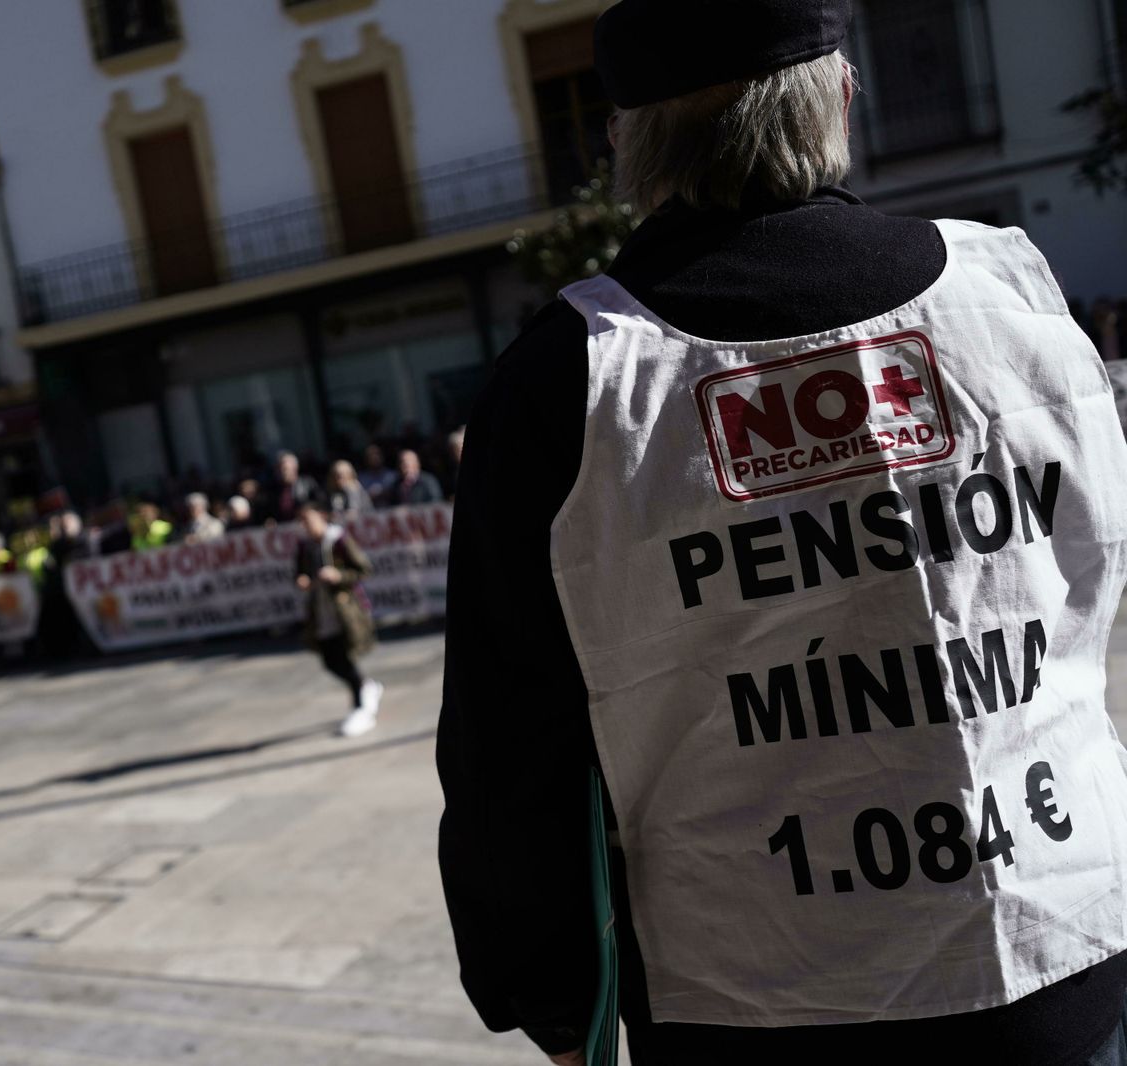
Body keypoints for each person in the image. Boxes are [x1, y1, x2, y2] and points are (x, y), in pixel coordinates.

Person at [437, 4, 1127, 1065]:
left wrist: (553, 1002)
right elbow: (1087, 575)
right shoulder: (1010, 292)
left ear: (623, 142)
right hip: (1060, 945)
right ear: (841, 98)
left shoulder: (568, 379)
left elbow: (510, 745)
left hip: (758, 999)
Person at [294, 501, 381, 738]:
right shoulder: (305, 546)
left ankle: (360, 706)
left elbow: (363, 569)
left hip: (345, 610)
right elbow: (299, 572)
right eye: (303, 522)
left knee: (345, 657)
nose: (307, 526)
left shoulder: (337, 540)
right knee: (330, 659)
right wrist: (303, 580)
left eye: (310, 520)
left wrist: (338, 576)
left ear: (321, 517)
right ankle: (365, 688)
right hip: (321, 611)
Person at [266, 451, 320, 524]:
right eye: (278, 468)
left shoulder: (308, 484)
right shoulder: (273, 489)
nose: (281, 472)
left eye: (285, 469)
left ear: (295, 468)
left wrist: (308, 509)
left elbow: (319, 503)